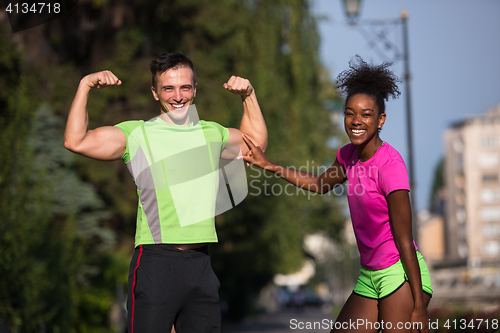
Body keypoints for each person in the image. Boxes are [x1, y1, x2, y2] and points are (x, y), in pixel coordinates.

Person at [64, 52, 267, 333]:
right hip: (156, 264)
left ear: (194, 89)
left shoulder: (213, 133)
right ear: (155, 93)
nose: (178, 96)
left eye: (185, 87)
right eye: (168, 88)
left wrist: (249, 95)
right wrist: (85, 85)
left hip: (201, 264)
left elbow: (256, 146)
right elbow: (76, 140)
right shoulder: (137, 135)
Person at [241, 56, 432, 333]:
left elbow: (404, 239)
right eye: (349, 112)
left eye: (366, 115)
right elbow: (319, 183)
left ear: (381, 120)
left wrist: (418, 307)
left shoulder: (390, 166)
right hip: (370, 274)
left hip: (399, 273)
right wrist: (270, 165)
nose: (356, 121)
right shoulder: (347, 156)